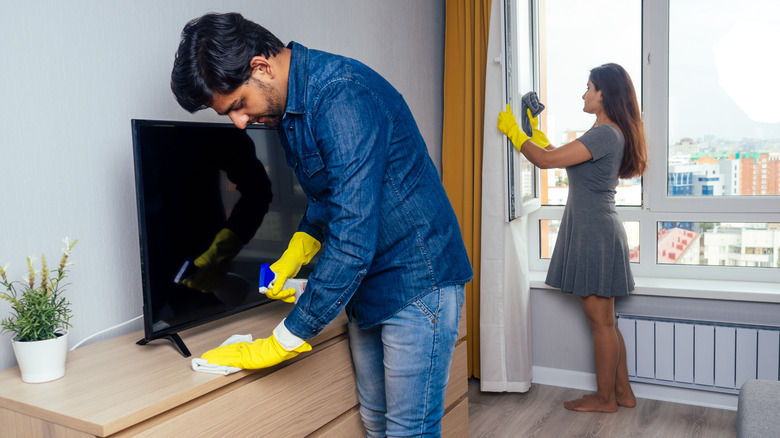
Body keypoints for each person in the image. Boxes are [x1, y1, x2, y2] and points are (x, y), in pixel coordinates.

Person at [170, 12, 473, 436]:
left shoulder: (341, 96)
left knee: (409, 431)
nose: (239, 122)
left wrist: (282, 340)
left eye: (238, 105)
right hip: (366, 282)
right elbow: (331, 197)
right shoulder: (286, 110)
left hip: (416, 277)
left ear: (261, 67)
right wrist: (298, 250)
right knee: (375, 421)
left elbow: (351, 237)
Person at [497, 63, 647, 413]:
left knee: (601, 323)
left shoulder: (605, 133)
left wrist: (514, 133)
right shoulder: (603, 132)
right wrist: (531, 130)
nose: (583, 93)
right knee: (606, 322)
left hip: (595, 234)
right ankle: (622, 393)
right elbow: (559, 154)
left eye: (588, 87)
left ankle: (605, 399)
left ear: (603, 94)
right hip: (597, 230)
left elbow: (546, 161)